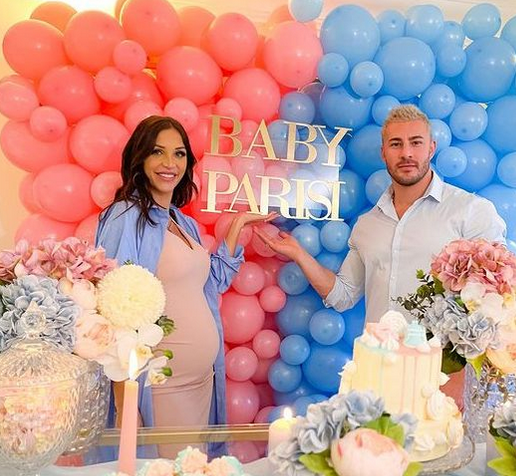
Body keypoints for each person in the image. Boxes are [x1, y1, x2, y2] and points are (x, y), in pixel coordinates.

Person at [96, 116, 274, 457]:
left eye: (179, 154)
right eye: (158, 152)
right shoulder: (125, 217)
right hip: (161, 386)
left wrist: (238, 224)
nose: (169, 163)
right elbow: (112, 309)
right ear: (140, 159)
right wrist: (125, 406)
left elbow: (211, 284)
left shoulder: (184, 223)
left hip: (201, 381)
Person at [254, 104, 506, 324]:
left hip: (442, 373)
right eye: (396, 144)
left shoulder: (471, 211)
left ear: (431, 148)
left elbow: (498, 301)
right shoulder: (368, 224)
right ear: (383, 153)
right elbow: (342, 296)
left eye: (415, 143)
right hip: (379, 370)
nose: (406, 153)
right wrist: (298, 253)